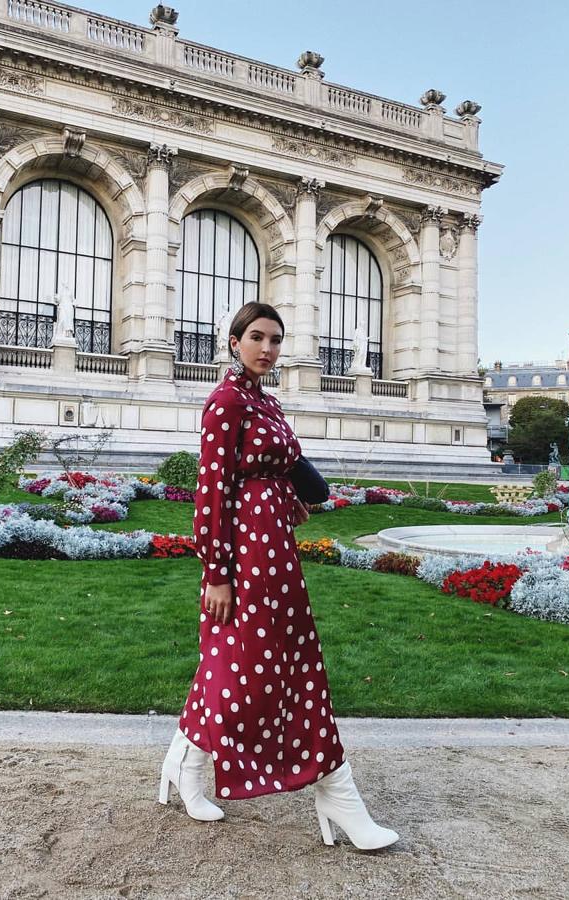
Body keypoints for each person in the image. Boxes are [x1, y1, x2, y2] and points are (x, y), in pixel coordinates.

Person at [158, 302, 399, 851]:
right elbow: (213, 494)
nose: (268, 349)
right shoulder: (224, 402)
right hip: (243, 557)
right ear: (234, 341)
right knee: (249, 666)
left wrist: (287, 499)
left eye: (276, 340)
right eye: (257, 338)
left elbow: (267, 472)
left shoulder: (262, 400)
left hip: (274, 549)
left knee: (269, 660)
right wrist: (216, 574)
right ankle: (332, 790)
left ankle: (188, 761)